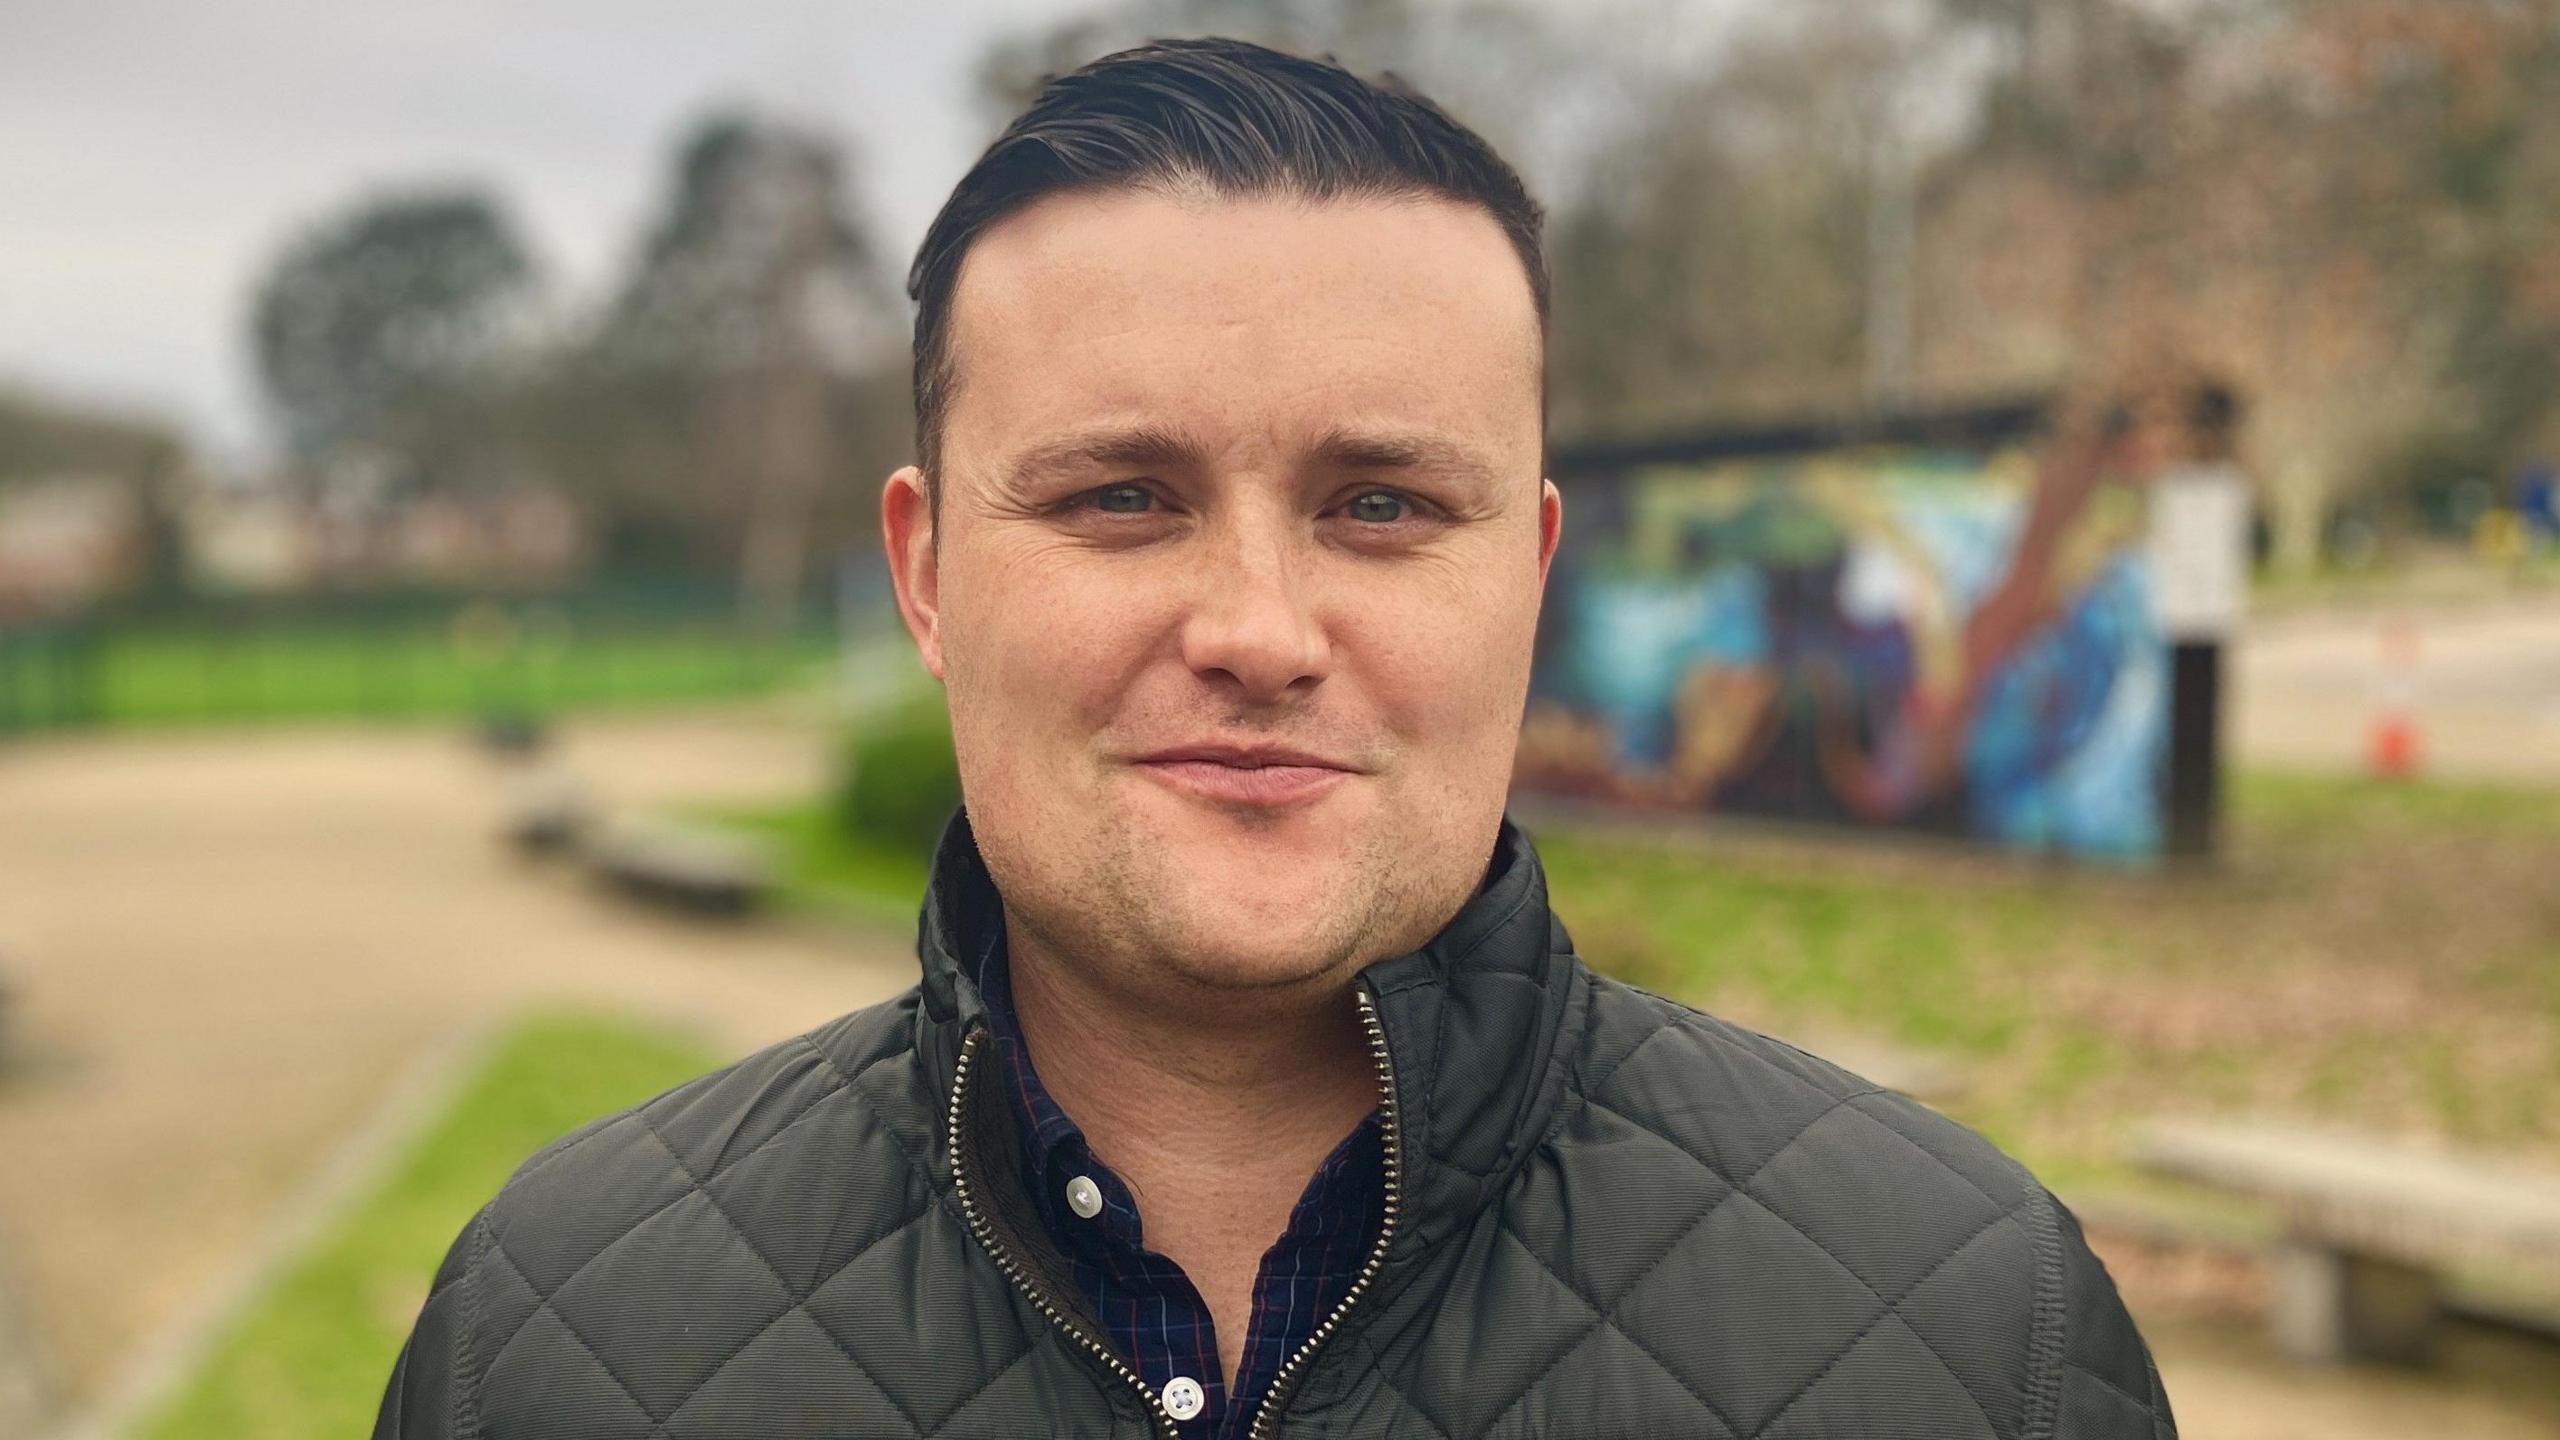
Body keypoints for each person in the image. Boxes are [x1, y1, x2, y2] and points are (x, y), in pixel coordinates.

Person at [375, 37, 2174, 1440]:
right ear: (926, 575)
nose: (1256, 631)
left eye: (1381, 505)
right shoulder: (552, 1342)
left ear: (1529, 575)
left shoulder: (1972, 1337)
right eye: (1125, 495)